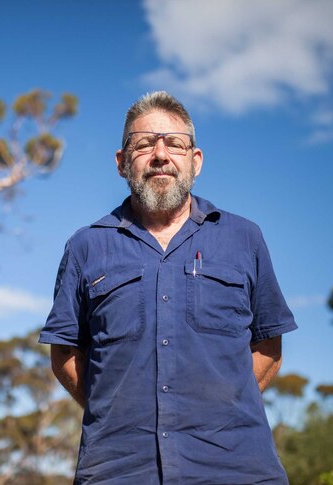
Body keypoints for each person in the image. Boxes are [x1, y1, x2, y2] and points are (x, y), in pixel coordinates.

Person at [39, 91, 297, 484]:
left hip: (237, 469)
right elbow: (65, 354)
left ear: (195, 161)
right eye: (144, 144)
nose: (160, 154)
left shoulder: (245, 238)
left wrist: (221, 409)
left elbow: (268, 347)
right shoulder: (85, 247)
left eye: (174, 143)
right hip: (118, 471)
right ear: (122, 163)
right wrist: (116, 411)